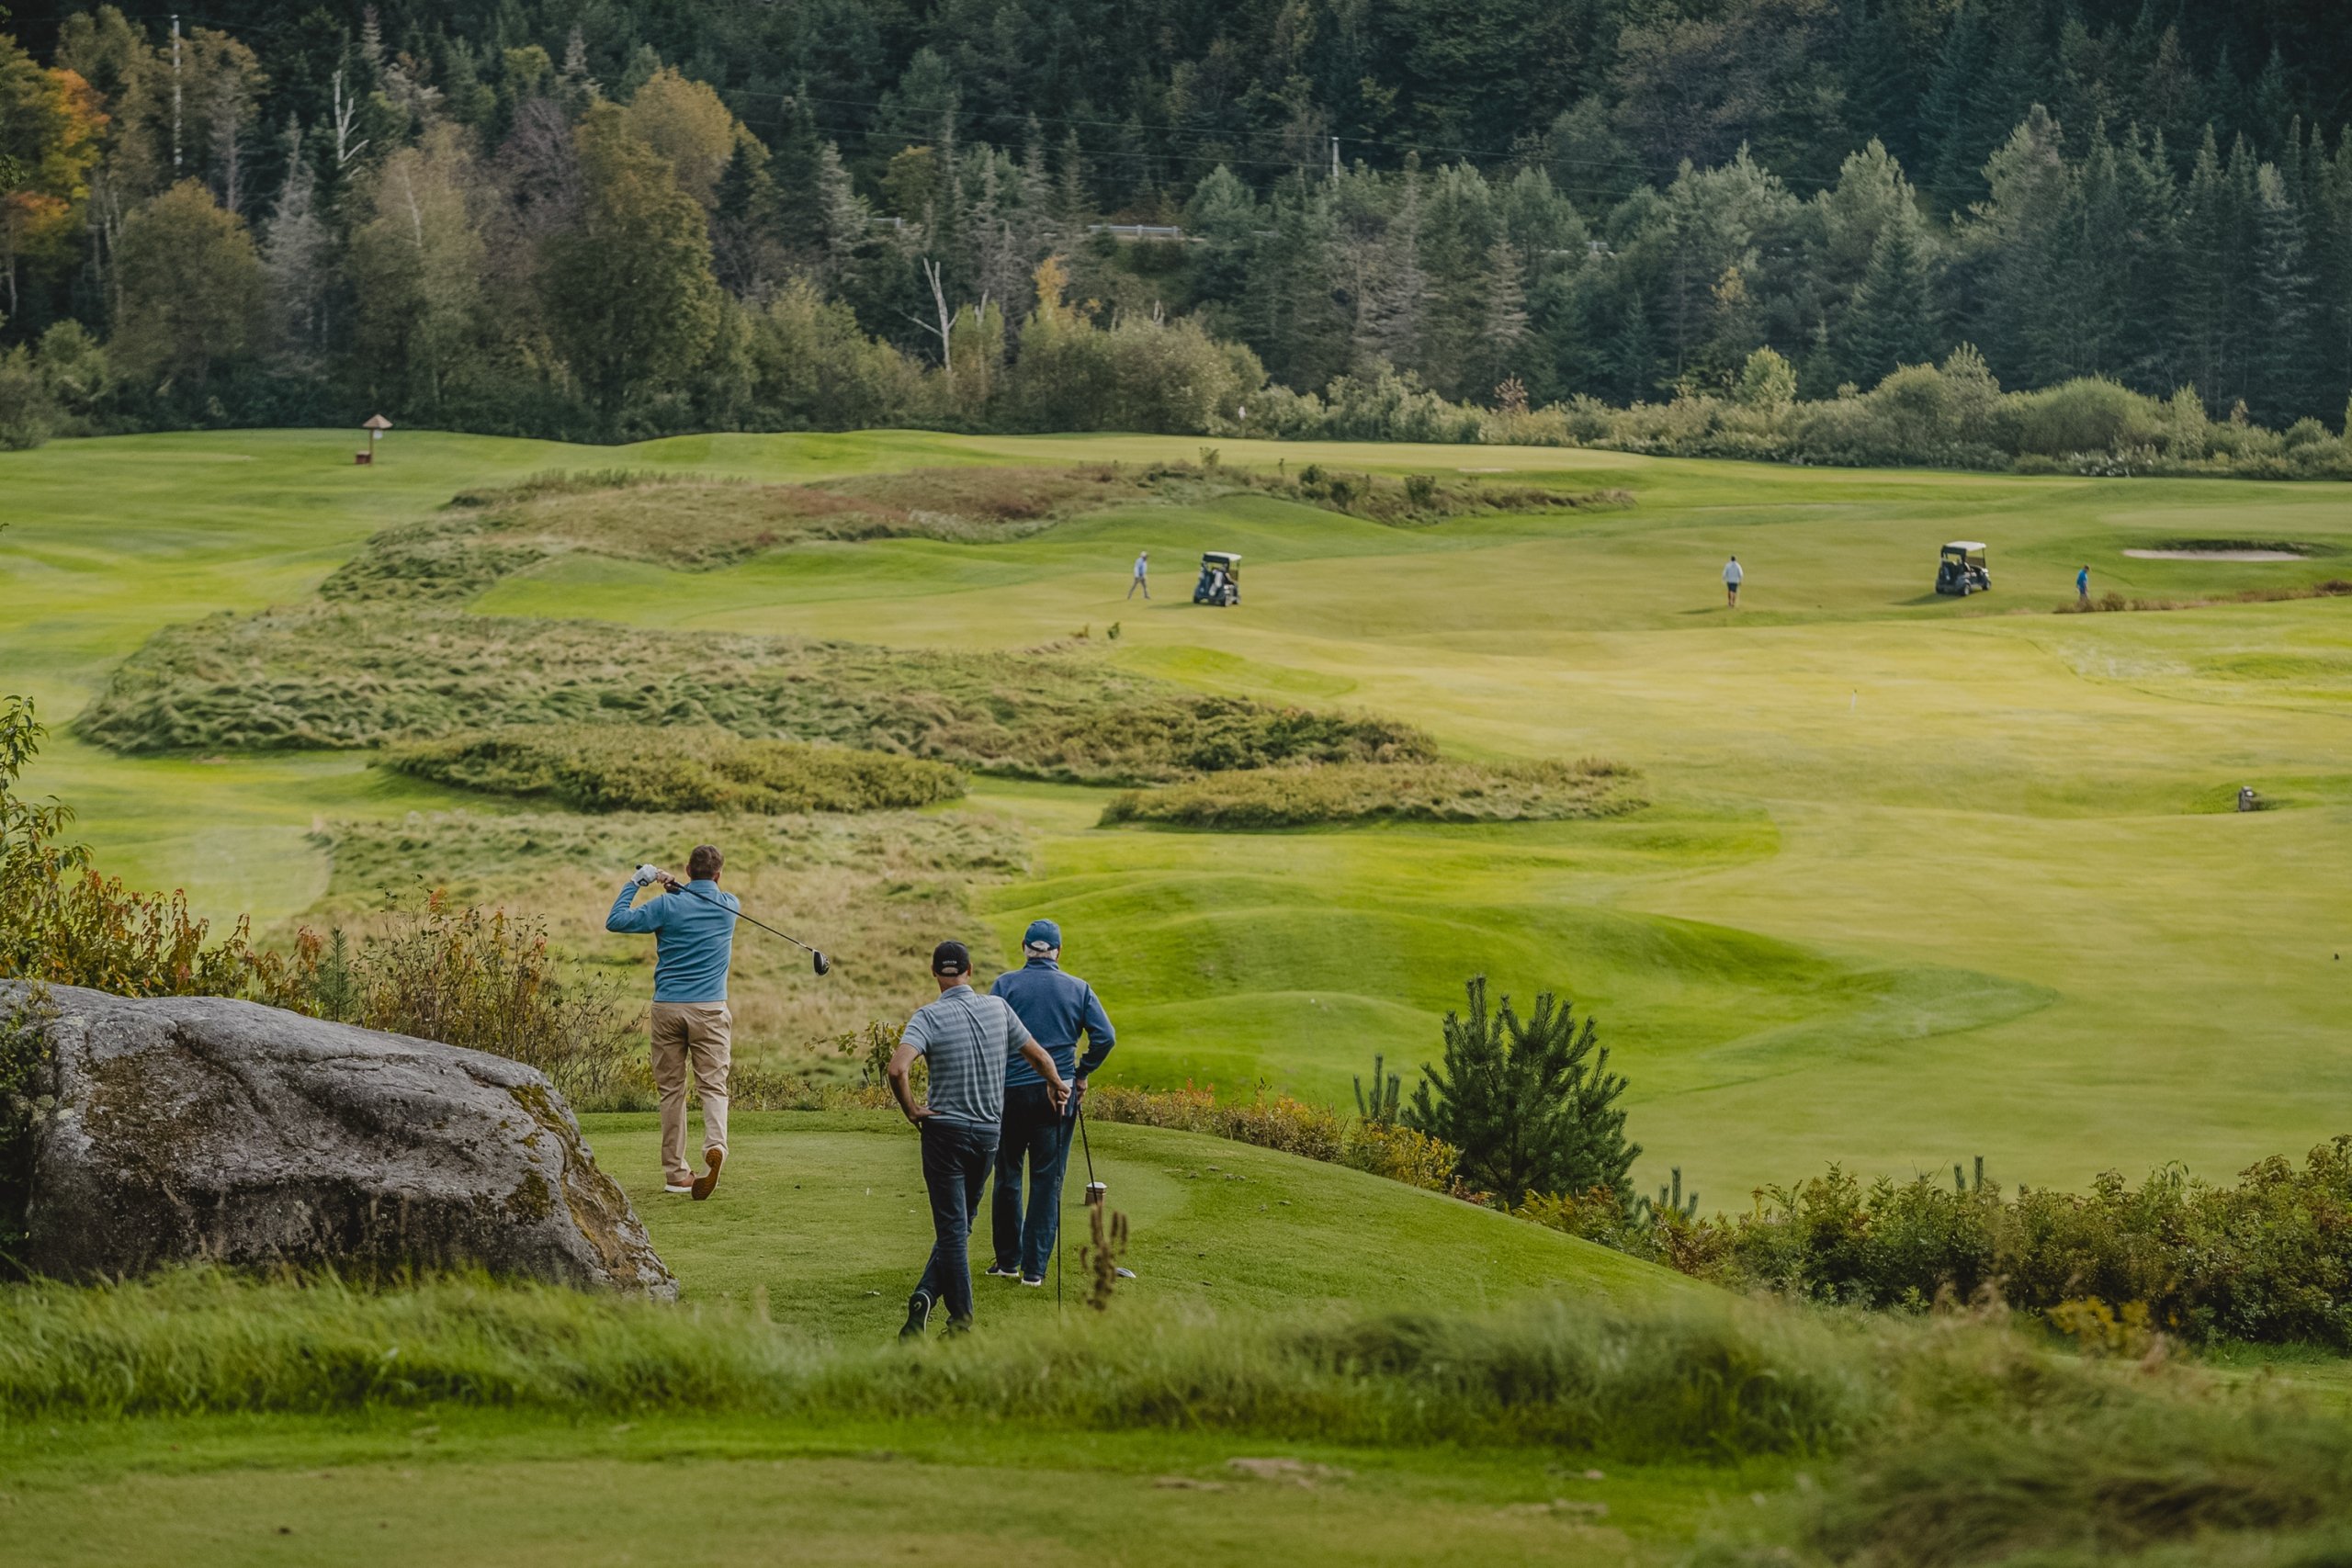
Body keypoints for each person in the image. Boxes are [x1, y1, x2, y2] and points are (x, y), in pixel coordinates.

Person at [888, 940, 1069, 1339]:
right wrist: (1057, 1084)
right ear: (970, 971)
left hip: (944, 1134)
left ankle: (961, 1321)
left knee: (953, 1228)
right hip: (987, 1134)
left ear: (936, 974)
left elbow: (898, 1069)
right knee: (962, 1223)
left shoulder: (928, 1017)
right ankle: (925, 1295)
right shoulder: (998, 1009)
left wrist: (912, 1110)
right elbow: (1038, 1056)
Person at [606, 845, 741, 1200]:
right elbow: (700, 901)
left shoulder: (666, 906)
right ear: (718, 875)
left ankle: (676, 1174)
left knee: (672, 1091)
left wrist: (640, 880)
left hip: (668, 1008)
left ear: (687, 869)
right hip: (710, 1010)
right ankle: (716, 1147)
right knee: (713, 1086)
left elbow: (615, 920)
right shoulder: (729, 905)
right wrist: (677, 888)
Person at [988, 919, 1116, 1286]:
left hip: (1009, 1094)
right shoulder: (1079, 989)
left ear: (1025, 948)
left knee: (1008, 1176)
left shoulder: (1005, 985)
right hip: (1057, 1094)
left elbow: (992, 1036)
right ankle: (1034, 1271)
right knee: (1047, 1181)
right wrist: (1081, 1071)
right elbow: (1105, 1037)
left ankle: (1007, 1262)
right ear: (1058, 951)